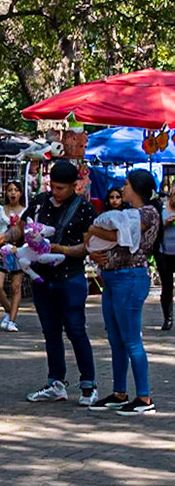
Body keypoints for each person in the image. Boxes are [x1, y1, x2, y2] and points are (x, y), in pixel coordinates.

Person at [23, 159, 98, 404]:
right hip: (43, 279)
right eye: (52, 187)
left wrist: (59, 249)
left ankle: (88, 385)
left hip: (70, 279)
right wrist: (5, 236)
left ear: (74, 186)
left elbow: (88, 247)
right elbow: (23, 229)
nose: (54, 192)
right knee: (51, 332)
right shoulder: (40, 202)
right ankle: (56, 382)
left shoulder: (85, 209)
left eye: (60, 188)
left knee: (76, 330)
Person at [88, 168, 159, 413]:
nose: (123, 188)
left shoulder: (148, 213)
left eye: (127, 184)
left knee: (131, 339)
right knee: (116, 339)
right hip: (111, 277)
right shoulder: (124, 212)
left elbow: (120, 236)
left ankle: (144, 397)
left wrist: (93, 231)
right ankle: (119, 392)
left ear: (138, 188)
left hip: (130, 278)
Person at [0, 181, 27, 332]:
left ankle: (12, 320)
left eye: (16, 190)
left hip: (18, 250)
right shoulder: (0, 210)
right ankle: (8, 309)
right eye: (10, 190)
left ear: (21, 194)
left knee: (15, 287)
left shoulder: (26, 211)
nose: (13, 193)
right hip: (1, 251)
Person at [157, 181, 175, 332]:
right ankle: (167, 318)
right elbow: (154, 228)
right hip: (164, 253)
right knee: (167, 287)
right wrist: (165, 223)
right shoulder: (162, 208)